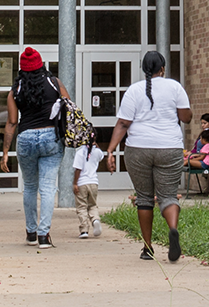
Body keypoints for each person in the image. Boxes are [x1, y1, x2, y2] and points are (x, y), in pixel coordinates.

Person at [105, 50, 191, 262]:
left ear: (144, 69)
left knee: (144, 197)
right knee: (168, 196)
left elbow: (123, 123)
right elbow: (186, 117)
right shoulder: (175, 87)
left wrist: (110, 150)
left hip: (138, 149)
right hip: (169, 148)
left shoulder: (134, 90)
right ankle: (172, 228)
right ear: (163, 69)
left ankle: (147, 247)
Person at [2, 47, 70, 249]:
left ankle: (31, 232)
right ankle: (43, 235)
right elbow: (68, 106)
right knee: (48, 188)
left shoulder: (16, 91)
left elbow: (12, 122)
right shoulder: (54, 83)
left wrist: (5, 153)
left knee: (30, 187)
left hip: (26, 138)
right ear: (41, 65)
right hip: (51, 137)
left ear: (22, 69)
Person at [72, 140, 104, 239]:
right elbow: (101, 156)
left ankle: (84, 230)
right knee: (92, 205)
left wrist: (75, 183)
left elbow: (78, 169)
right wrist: (96, 143)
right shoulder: (97, 152)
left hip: (82, 183)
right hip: (94, 182)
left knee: (82, 206)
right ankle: (95, 220)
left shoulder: (80, 152)